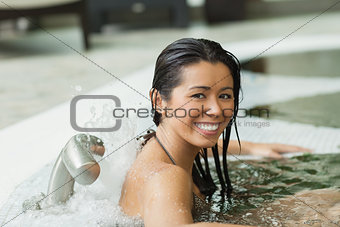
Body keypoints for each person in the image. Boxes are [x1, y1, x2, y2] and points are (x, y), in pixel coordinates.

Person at [118, 38, 311, 227]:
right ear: (159, 101)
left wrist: (252, 148)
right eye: (198, 95)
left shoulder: (151, 147)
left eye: (225, 95)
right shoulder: (166, 177)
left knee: (323, 198)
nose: (217, 110)